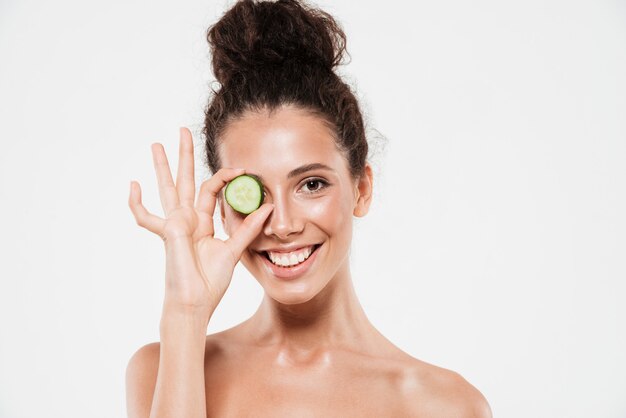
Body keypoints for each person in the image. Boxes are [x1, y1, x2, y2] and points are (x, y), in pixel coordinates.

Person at [125, 0, 492, 416]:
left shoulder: (442, 404)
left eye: (311, 184)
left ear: (362, 188)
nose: (281, 224)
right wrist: (185, 316)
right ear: (222, 209)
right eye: (253, 192)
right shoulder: (163, 367)